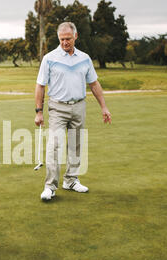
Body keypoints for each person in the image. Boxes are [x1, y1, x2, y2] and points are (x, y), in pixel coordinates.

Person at [34, 22, 112, 201]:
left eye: (68, 39)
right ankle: (50, 186)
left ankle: (71, 180)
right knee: (54, 145)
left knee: (76, 144)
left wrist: (104, 106)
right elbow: (40, 85)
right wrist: (39, 111)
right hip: (57, 107)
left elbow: (94, 84)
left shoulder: (84, 58)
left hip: (79, 106)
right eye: (61, 39)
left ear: (75, 36)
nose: (64, 42)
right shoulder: (50, 58)